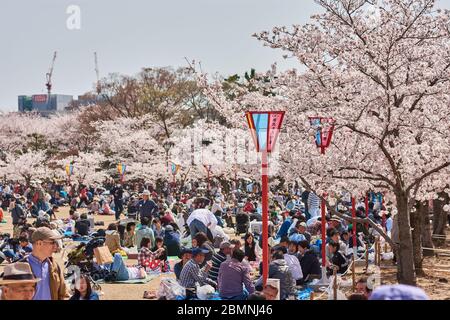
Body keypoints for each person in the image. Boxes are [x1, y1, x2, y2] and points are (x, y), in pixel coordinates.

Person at [20, 227, 68, 300]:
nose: (55, 247)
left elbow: (63, 294)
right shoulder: (20, 267)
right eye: (52, 243)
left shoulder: (54, 266)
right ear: (39, 243)